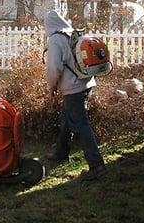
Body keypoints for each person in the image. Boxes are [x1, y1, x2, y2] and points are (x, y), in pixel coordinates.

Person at [44, 10, 106, 181]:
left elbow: (53, 68)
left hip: (73, 88)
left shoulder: (56, 39)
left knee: (80, 124)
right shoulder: (73, 33)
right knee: (67, 117)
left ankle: (96, 165)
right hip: (86, 83)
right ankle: (61, 153)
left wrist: (51, 87)